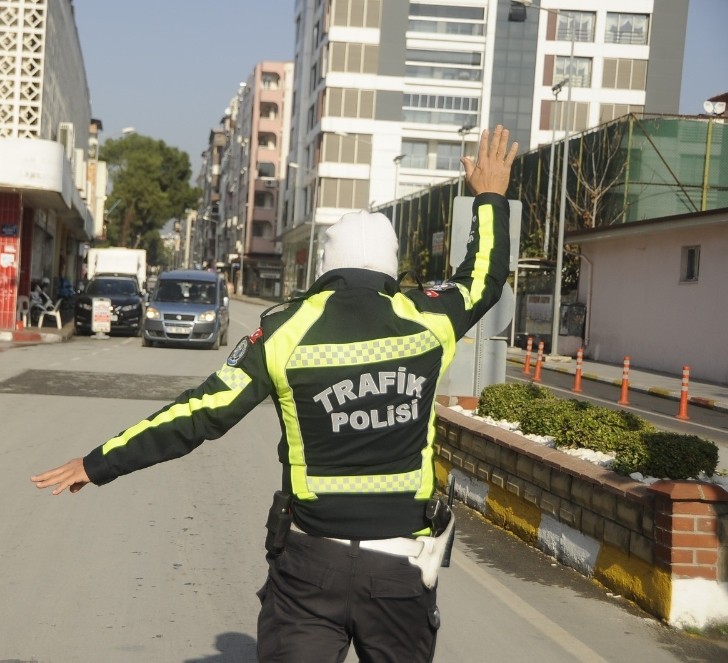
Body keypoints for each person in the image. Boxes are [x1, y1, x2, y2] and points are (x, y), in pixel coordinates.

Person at [32, 125, 518, 661]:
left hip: (310, 570)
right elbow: (484, 275)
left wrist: (98, 463)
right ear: (392, 266)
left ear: (324, 266)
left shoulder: (284, 330)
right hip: (402, 572)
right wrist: (489, 198)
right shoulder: (430, 318)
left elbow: (199, 414)